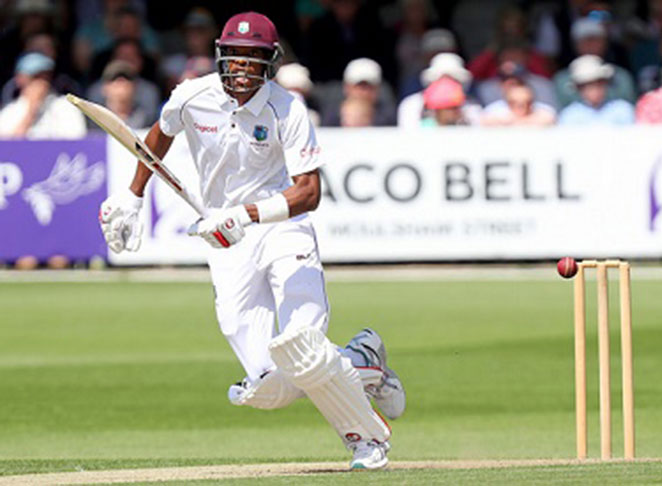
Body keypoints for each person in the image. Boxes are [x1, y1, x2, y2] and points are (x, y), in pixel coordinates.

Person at [97, 12, 405, 470]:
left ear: (270, 62)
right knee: (271, 386)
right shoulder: (191, 96)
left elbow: (309, 193)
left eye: (253, 59)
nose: (242, 68)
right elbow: (158, 136)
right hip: (227, 244)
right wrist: (131, 194)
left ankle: (366, 441)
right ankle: (362, 360)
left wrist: (243, 215)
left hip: (280, 228)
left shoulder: (287, 109)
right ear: (221, 56)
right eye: (235, 57)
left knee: (301, 343)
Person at [552, 18, 635, 108]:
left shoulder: (621, 76)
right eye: (585, 40)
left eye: (595, 40)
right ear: (575, 44)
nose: (591, 45)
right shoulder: (562, 79)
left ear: (605, 42)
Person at [0, 52, 86, 139]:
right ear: (20, 79)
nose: (42, 82)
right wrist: (31, 111)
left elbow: (77, 142)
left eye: (45, 76)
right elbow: (9, 148)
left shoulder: (65, 107)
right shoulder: (10, 112)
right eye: (36, 77)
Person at [559, 55, 634, 125]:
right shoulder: (570, 115)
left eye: (599, 83)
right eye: (588, 86)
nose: (595, 90)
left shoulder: (623, 110)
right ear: (579, 89)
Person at [481, 81, 555, 127]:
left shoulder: (544, 111)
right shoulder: (494, 111)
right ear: (507, 102)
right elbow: (487, 122)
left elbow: (548, 119)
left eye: (527, 102)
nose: (521, 106)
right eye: (514, 102)